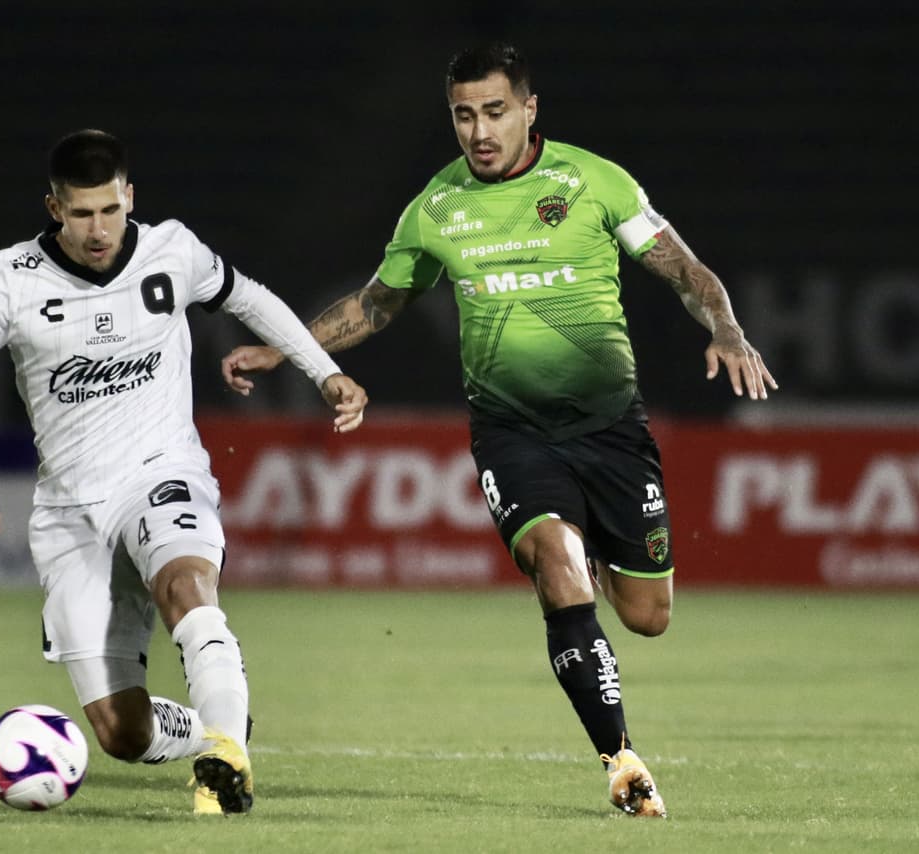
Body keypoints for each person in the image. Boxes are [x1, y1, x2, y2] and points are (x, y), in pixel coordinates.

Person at [221, 43, 777, 818]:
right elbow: (378, 302)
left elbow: (688, 271)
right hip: (511, 433)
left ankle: (593, 567)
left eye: (492, 112)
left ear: (528, 109)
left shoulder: (593, 181)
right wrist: (289, 347)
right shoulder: (436, 208)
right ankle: (621, 760)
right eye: (462, 115)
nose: (478, 131)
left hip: (612, 429)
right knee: (556, 565)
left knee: (648, 617)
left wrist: (727, 330)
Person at [0, 129, 368, 816]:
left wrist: (325, 371)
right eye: (80, 214)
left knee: (187, 585)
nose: (98, 230)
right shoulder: (10, 278)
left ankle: (226, 758)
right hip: (71, 513)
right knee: (121, 734)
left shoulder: (172, 251)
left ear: (129, 196)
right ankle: (217, 731)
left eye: (109, 210)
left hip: (162, 473)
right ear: (53, 208)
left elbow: (252, 299)